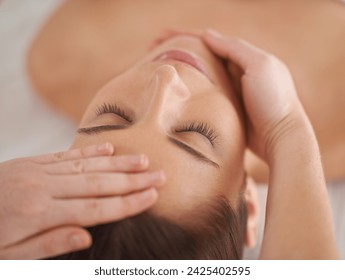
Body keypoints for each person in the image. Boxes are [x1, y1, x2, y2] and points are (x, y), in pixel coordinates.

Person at [0, 28, 339, 259]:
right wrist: (285, 125)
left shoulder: (58, 60)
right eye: (195, 133)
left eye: (112, 117)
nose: (164, 79)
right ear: (251, 207)